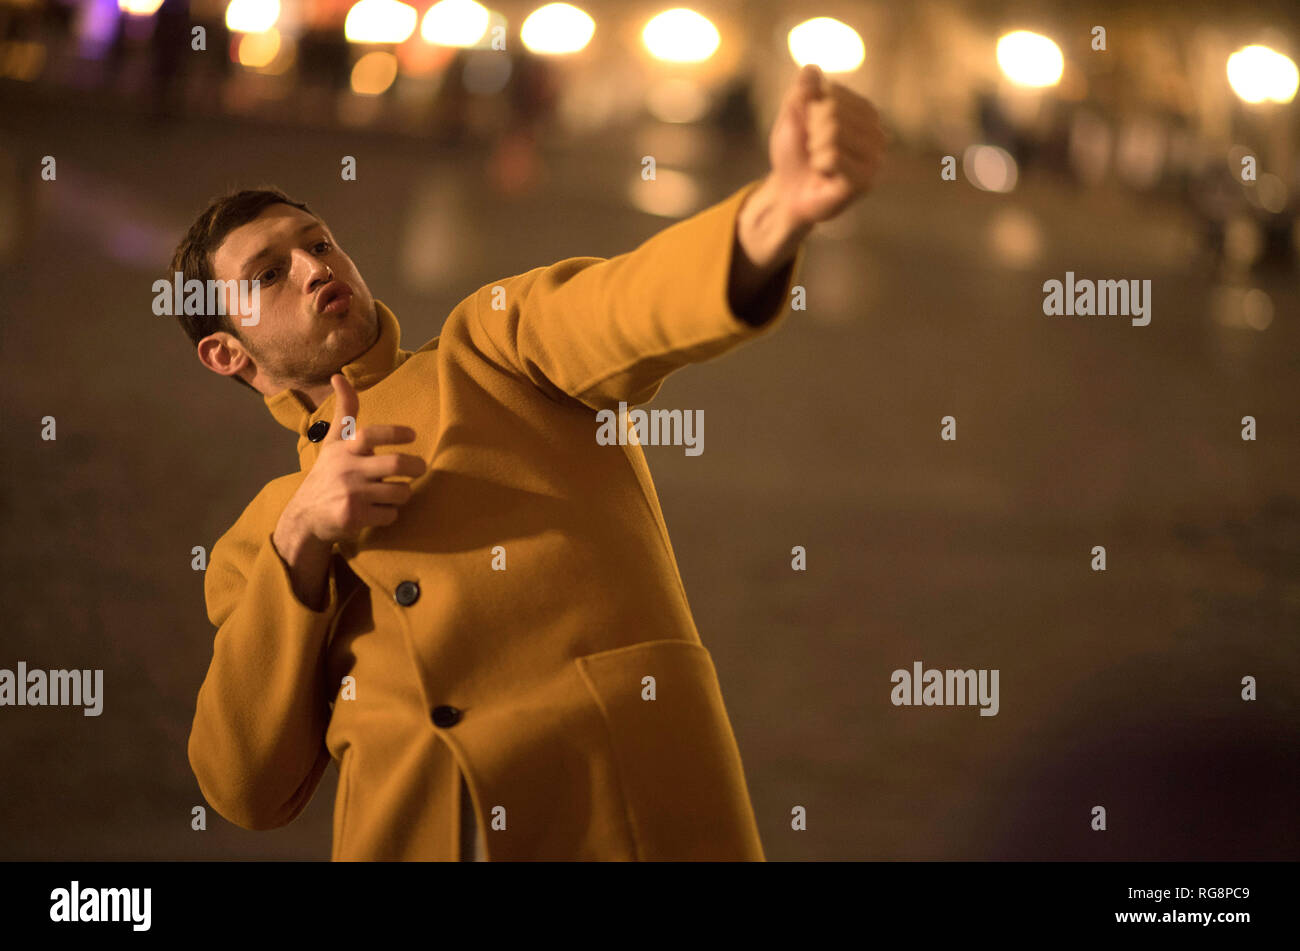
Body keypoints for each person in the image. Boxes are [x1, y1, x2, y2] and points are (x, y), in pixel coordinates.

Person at [182, 63, 885, 860]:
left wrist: (771, 216)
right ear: (224, 352)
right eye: (269, 275)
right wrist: (302, 541)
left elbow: (624, 308)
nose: (314, 270)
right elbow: (244, 785)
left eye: (318, 243)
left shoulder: (491, 346)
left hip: (621, 818)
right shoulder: (257, 542)